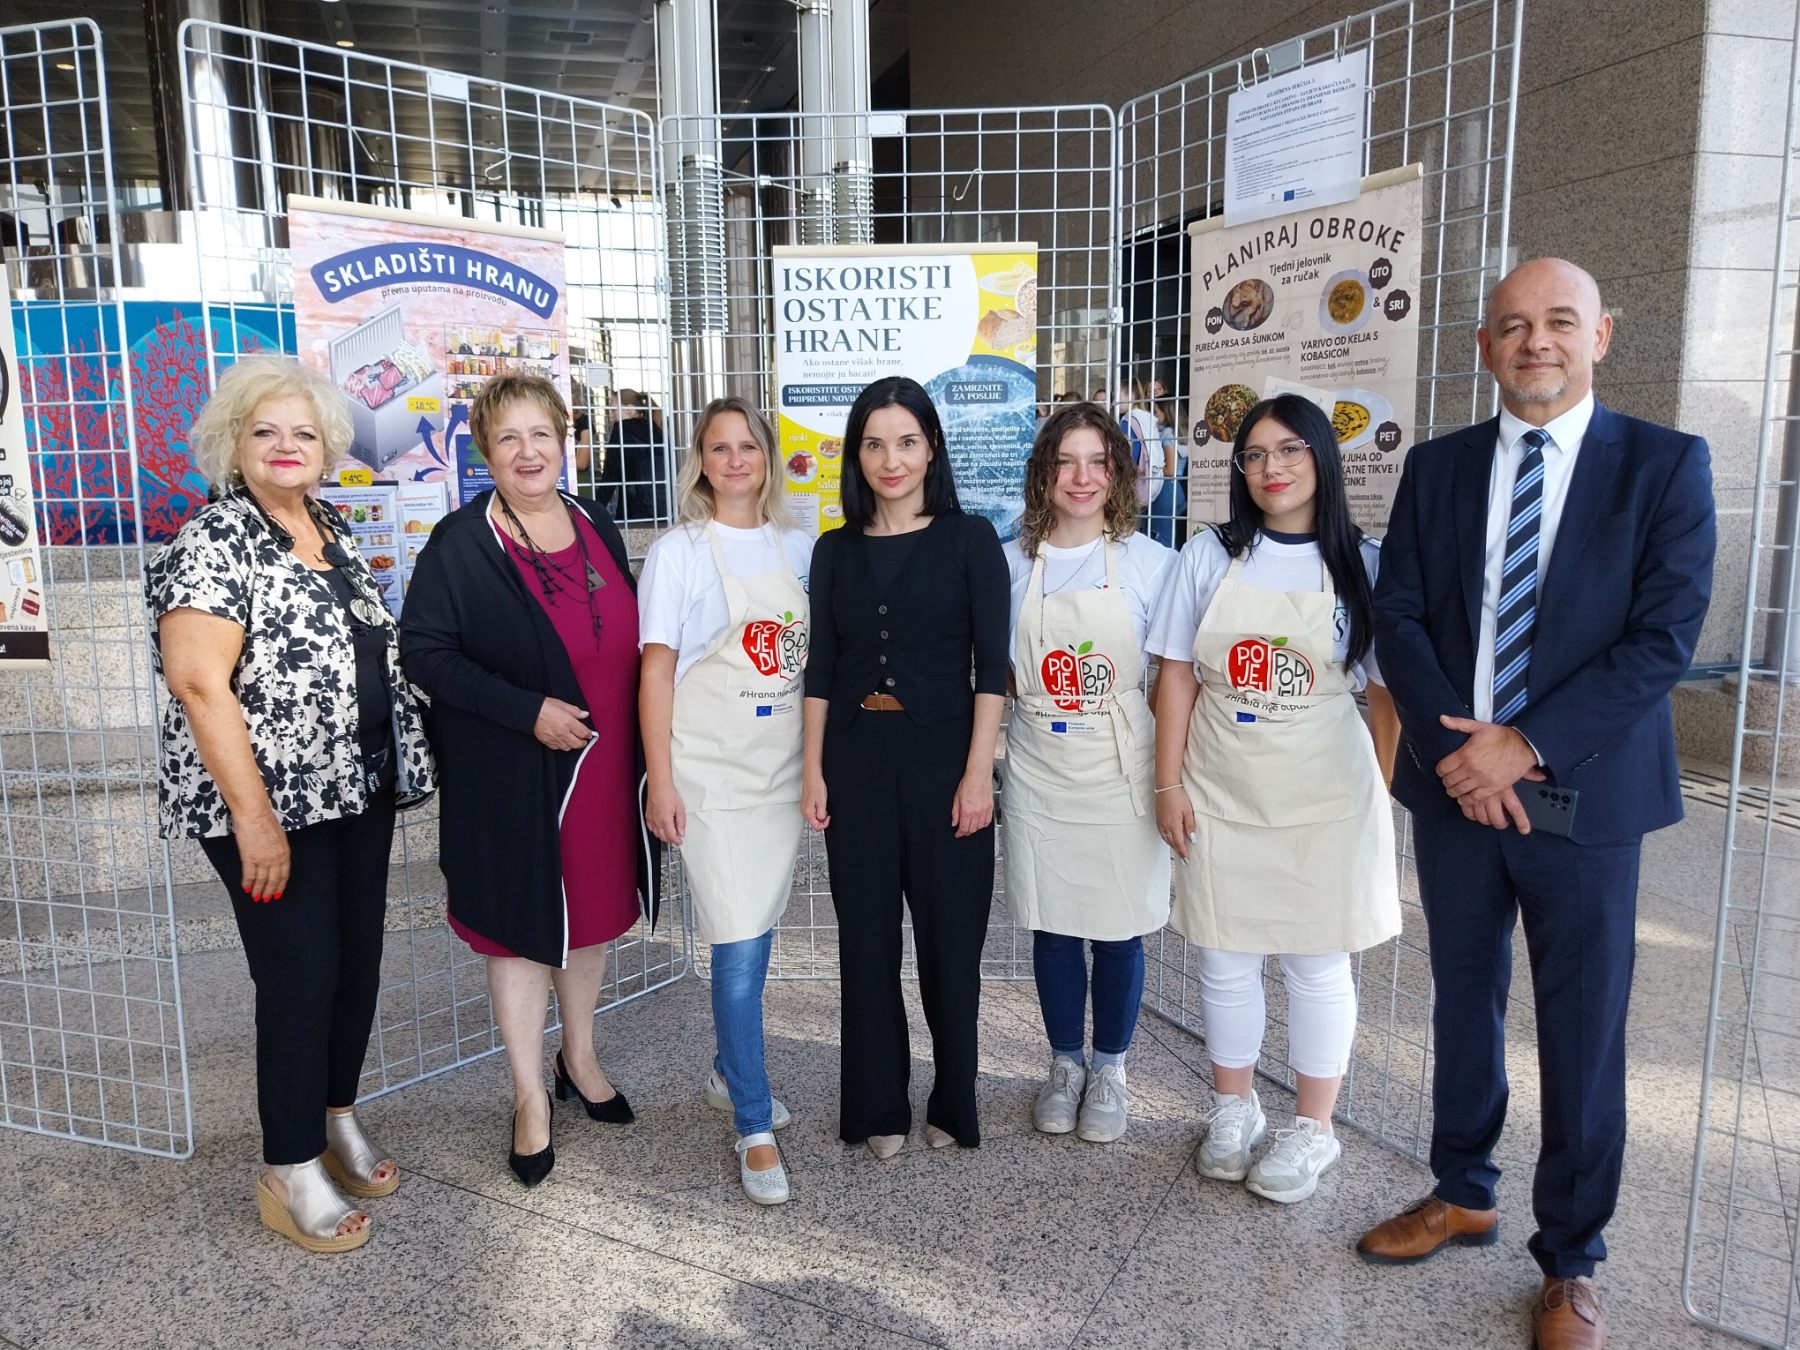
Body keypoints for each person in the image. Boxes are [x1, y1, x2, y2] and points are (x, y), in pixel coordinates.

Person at [1359, 259, 1716, 1350]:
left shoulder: (1664, 465)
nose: (1537, 342)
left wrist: (1527, 745)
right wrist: (1457, 751)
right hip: (1454, 787)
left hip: (1587, 800)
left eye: (1560, 322)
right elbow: (1401, 613)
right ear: (1484, 346)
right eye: (1513, 326)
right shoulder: (1439, 467)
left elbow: (1664, 637)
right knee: (1461, 1001)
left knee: (1583, 1028)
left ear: (1601, 333)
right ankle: (1462, 1190)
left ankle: (1573, 1258)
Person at [147, 355, 435, 1252]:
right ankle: (290, 1165)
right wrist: (254, 816)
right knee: (301, 972)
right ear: (235, 443)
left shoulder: (329, 525)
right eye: (265, 430)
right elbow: (199, 683)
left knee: (355, 965)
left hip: (354, 789)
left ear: (326, 448)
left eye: (303, 432)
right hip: (267, 807)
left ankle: (334, 1116)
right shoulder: (214, 539)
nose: (285, 446)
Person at [399, 373, 659, 1190]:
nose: (527, 451)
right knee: (519, 930)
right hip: (514, 775)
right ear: (485, 451)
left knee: (590, 921)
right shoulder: (461, 543)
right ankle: (527, 1099)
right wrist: (525, 711)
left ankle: (578, 1060)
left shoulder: (594, 521)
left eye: (540, 434)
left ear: (566, 440)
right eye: (507, 438)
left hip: (604, 767)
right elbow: (425, 655)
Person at [1149, 392, 1401, 1205]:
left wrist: (1382, 792)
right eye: (1254, 456)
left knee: (1317, 964)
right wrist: (1168, 781)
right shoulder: (1210, 555)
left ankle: (1313, 1130)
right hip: (1222, 784)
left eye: (1289, 451)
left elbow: (1386, 696)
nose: (1270, 469)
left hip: (1327, 790)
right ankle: (1233, 1111)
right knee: (1224, 959)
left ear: (1322, 459)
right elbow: (1178, 676)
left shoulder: (1363, 561)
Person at [800, 375, 1009, 1158]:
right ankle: (878, 1105)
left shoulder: (969, 540)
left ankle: (954, 1103)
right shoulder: (834, 550)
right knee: (867, 943)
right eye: (876, 443)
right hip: (855, 762)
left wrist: (977, 771)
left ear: (932, 449)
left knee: (950, 945)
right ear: (857, 455)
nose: (892, 459)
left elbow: (992, 667)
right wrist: (813, 769)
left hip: (943, 760)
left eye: (908, 442)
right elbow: (820, 669)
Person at [637, 397, 813, 1205]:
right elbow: (657, 672)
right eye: (719, 447)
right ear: (700, 460)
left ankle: (723, 1069)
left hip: (778, 770)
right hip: (708, 770)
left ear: (767, 458)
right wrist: (661, 780)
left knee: (758, 924)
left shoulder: (799, 546)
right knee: (737, 942)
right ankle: (752, 1121)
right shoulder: (677, 552)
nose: (735, 460)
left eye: (748, 446)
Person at [1002, 402, 1175, 1143]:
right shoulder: (1011, 562)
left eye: (1097, 463)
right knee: (1051, 921)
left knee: (1117, 927)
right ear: (1044, 473)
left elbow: (1173, 679)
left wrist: (1175, 778)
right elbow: (994, 671)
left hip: (1121, 765)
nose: (1081, 478)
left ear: (1121, 475)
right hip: (1040, 762)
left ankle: (1110, 1067)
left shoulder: (1151, 564)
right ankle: (1064, 1062)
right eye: (1065, 462)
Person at [599, 389, 671, 524]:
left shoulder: (620, 430)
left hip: (632, 510)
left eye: (613, 410)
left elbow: (609, 479)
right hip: (663, 510)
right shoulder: (656, 430)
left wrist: (591, 512)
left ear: (630, 410)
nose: (610, 415)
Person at [1121, 378, 1174, 547]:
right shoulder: (1147, 419)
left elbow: (1130, 455)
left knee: (1131, 535)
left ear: (1129, 395)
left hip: (1136, 484)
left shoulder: (1129, 420)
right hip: (1154, 481)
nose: (1114, 401)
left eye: (1118, 396)